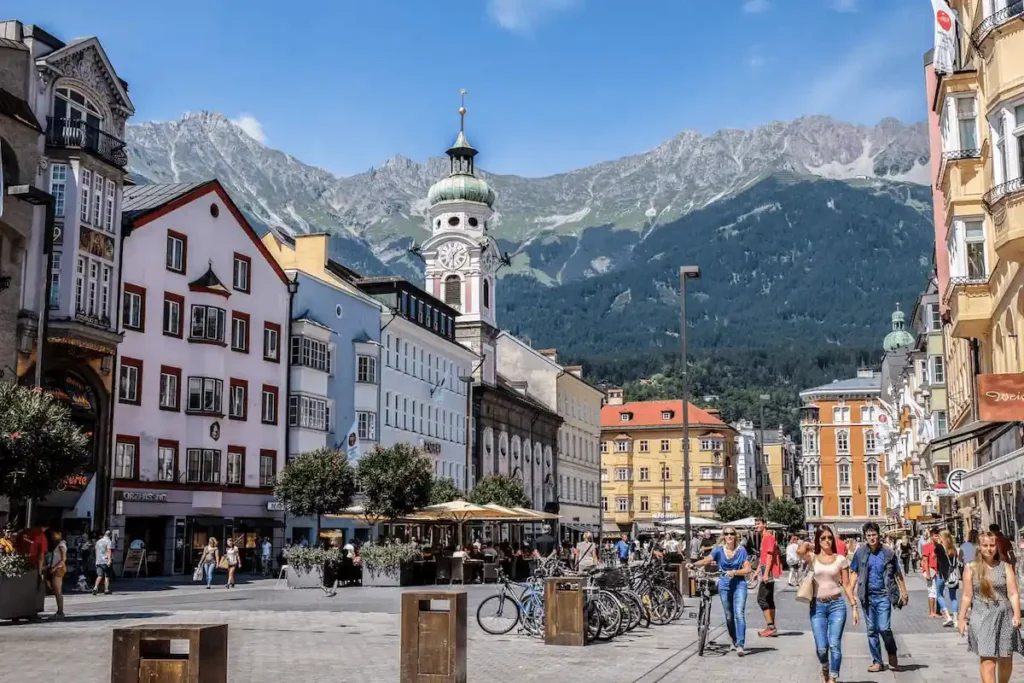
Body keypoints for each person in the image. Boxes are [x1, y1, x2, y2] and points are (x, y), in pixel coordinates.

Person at [958, 530, 1024, 683]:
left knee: (1006, 659)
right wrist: (961, 618)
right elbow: (967, 595)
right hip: (982, 617)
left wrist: (1017, 614)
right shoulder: (971, 567)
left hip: (1004, 617)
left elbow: (1013, 593)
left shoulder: (1005, 567)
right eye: (985, 545)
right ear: (979, 547)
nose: (988, 548)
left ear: (996, 545)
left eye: (992, 545)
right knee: (988, 661)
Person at [798, 525, 858, 683]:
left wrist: (854, 606)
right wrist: (810, 544)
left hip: (837, 605)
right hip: (817, 606)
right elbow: (800, 551)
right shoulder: (812, 557)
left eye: (829, 538)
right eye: (823, 538)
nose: (827, 541)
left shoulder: (840, 559)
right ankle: (824, 666)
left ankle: (833, 678)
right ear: (818, 539)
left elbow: (846, 584)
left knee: (835, 645)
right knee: (822, 647)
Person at [849, 522, 907, 673]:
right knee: (871, 630)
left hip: (884, 596)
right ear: (865, 536)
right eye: (868, 535)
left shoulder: (888, 553)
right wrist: (850, 592)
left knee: (884, 628)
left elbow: (897, 573)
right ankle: (877, 661)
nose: (871, 538)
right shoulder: (860, 553)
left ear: (878, 535)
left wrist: (904, 592)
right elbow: (854, 572)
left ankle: (892, 653)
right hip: (867, 597)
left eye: (874, 534)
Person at [691, 526, 752, 656]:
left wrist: (735, 572)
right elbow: (707, 560)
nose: (729, 536)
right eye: (726, 533)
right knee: (729, 616)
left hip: (739, 584)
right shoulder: (718, 550)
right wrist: (693, 564)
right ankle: (734, 639)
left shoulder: (741, 551)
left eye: (732, 534)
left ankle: (740, 645)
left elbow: (748, 569)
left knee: (739, 614)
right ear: (723, 536)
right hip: (724, 585)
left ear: (736, 536)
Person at [754, 518, 782, 637]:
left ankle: (771, 626)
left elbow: (770, 556)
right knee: (769, 599)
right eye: (755, 524)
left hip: (769, 571)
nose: (756, 526)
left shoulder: (768, 537)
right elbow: (764, 557)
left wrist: (765, 574)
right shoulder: (764, 537)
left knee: (761, 598)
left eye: (758, 524)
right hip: (766, 569)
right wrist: (758, 570)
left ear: (765, 524)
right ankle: (771, 627)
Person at [934, 529, 961, 628]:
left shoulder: (939, 547)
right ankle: (955, 619)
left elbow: (934, 556)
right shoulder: (953, 548)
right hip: (953, 575)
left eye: (939, 536)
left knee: (939, 595)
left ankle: (947, 616)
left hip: (942, 575)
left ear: (942, 537)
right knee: (953, 597)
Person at [47, 530, 67, 619]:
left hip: (58, 569)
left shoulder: (61, 545)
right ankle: (60, 611)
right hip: (57, 568)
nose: (53, 536)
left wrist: (54, 568)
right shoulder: (59, 544)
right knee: (56, 590)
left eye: (54, 534)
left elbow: (63, 559)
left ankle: (60, 611)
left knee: (58, 591)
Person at [922, 529, 940, 618]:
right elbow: (925, 561)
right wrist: (928, 574)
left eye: (938, 535)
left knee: (940, 591)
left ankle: (938, 611)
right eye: (936, 536)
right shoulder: (927, 546)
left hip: (939, 571)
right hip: (931, 571)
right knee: (932, 591)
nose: (938, 537)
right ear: (932, 537)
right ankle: (931, 612)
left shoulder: (940, 546)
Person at [92, 530, 113, 595]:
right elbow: (109, 551)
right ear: (110, 535)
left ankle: (95, 588)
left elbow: (95, 550)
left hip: (98, 561)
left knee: (99, 575)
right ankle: (106, 589)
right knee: (106, 575)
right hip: (105, 561)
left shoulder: (98, 541)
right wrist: (109, 560)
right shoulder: (108, 541)